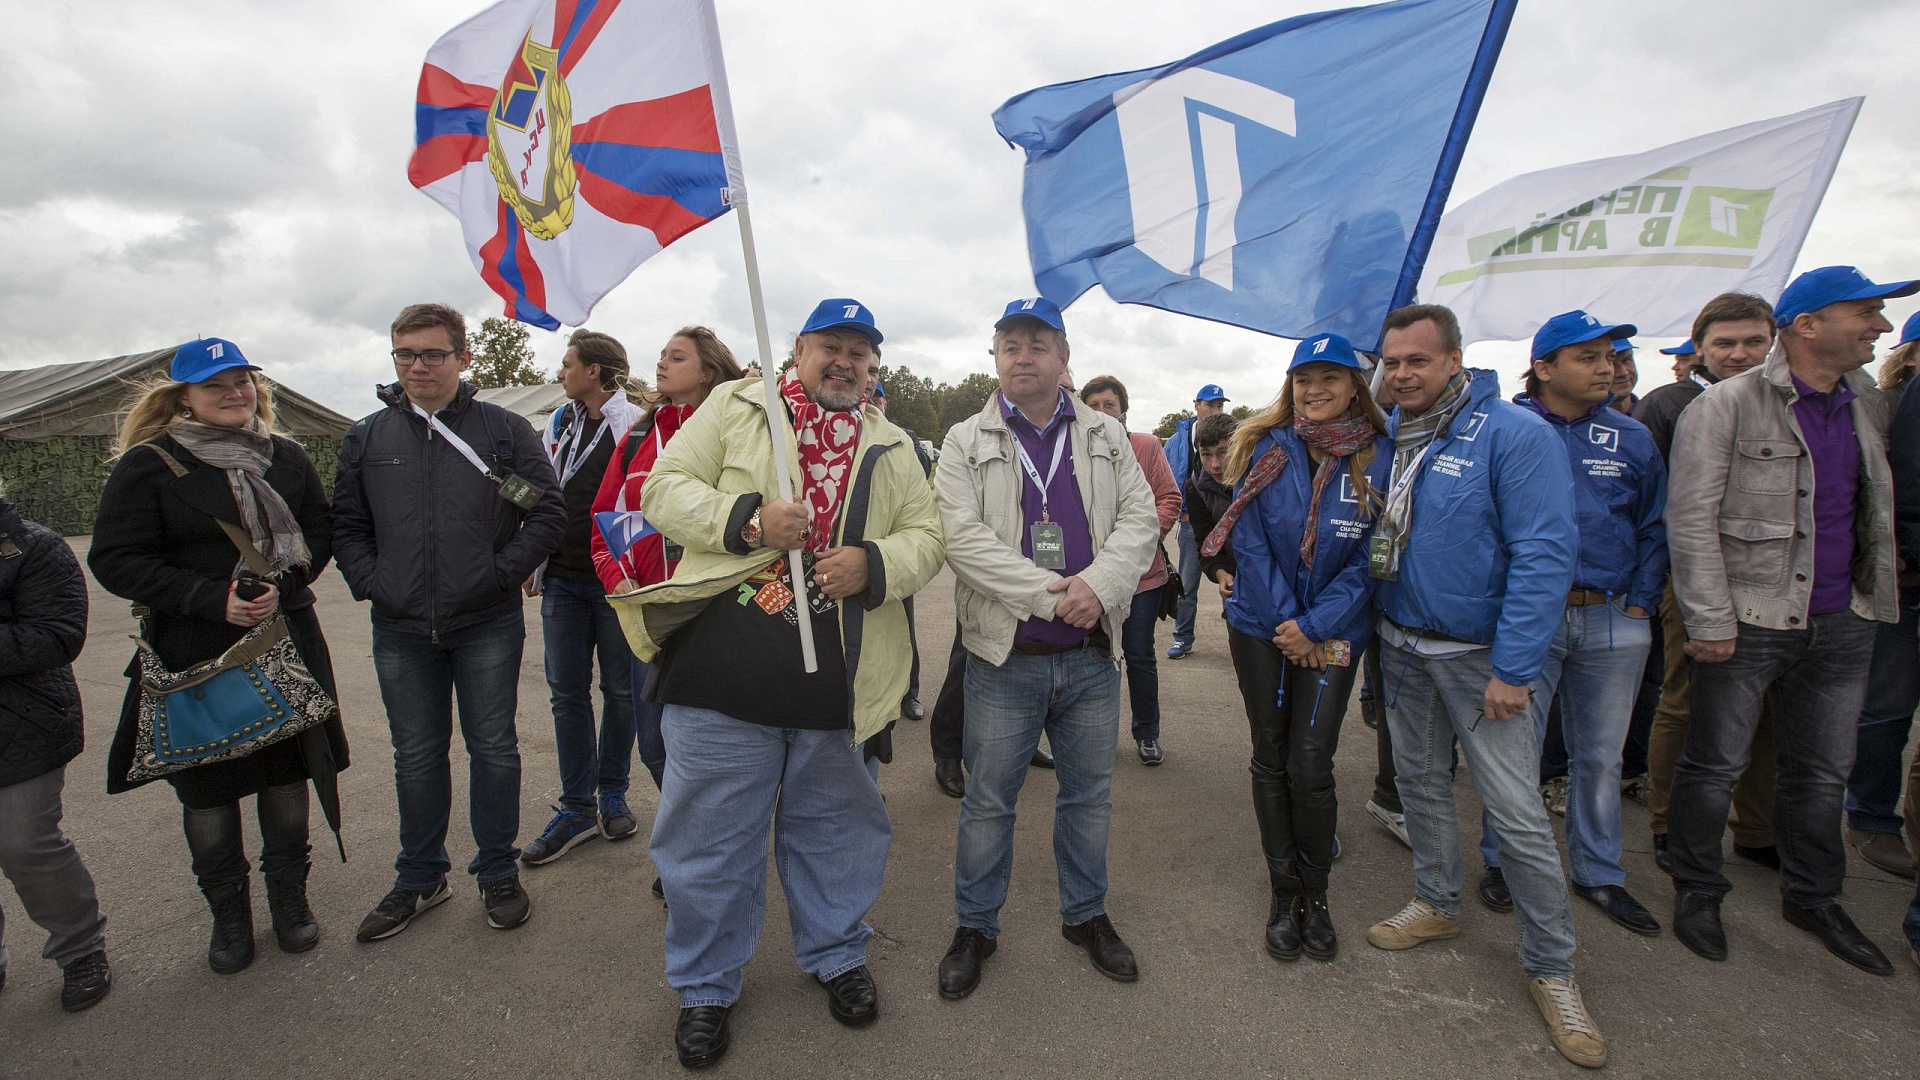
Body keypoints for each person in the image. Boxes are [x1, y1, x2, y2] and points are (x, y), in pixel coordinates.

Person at [615, 299, 943, 1069]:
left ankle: (835, 952)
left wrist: (876, 563)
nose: (847, 363)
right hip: (724, 668)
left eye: (862, 354)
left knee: (837, 828)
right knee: (708, 839)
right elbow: (662, 490)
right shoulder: (737, 406)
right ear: (797, 349)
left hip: (842, 677)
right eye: (832, 346)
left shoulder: (893, 443)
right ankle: (704, 986)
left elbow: (928, 539)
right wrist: (748, 522)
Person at [1360, 305, 1604, 1069]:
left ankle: (1552, 968)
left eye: (1417, 362)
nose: (1401, 375)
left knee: (1518, 814)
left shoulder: (1513, 433)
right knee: (1423, 787)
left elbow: (1542, 555)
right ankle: (1437, 901)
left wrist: (1515, 668)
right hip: (1402, 645)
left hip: (1479, 660)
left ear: (1455, 361)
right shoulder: (1394, 438)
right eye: (1392, 363)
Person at [1665, 266, 1910, 976]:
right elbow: (1691, 518)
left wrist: (1872, 598)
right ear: (1808, 324)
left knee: (1823, 771)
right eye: (1864, 313)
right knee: (1715, 764)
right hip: (1749, 618)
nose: (1880, 327)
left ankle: (1813, 895)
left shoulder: (1866, 403)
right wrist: (1710, 619)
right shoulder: (1729, 407)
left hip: (1843, 618)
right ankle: (1697, 888)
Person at [90, 338, 349, 974]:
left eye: (242, 381)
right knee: (208, 790)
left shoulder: (284, 456)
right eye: (215, 385)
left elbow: (318, 533)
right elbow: (115, 559)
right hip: (194, 652)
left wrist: (280, 589)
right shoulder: (148, 465)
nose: (234, 394)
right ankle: (229, 917)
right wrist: (213, 599)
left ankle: (290, 901)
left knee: (287, 774)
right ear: (183, 397)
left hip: (283, 639)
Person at [934, 296, 1158, 1001]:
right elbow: (962, 542)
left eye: (1037, 344)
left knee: (1088, 796)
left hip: (1093, 655)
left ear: (1064, 357)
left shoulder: (1106, 435)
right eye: (1009, 345)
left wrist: (1098, 586)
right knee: (990, 801)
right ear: (995, 358)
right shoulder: (963, 440)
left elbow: (1141, 518)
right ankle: (976, 926)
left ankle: (1085, 915)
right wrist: (1049, 593)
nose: (1022, 356)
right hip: (1006, 659)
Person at [332, 304, 564, 942]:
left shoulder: (504, 430)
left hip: (485, 620)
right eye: (404, 354)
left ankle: (497, 870)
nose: (417, 366)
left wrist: (499, 573)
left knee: (493, 749)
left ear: (464, 359)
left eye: (432, 354)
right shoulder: (368, 437)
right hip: (401, 626)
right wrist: (372, 583)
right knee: (416, 755)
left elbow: (547, 511)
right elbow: (347, 525)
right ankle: (420, 877)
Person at [1473, 312, 1667, 939]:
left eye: (1609, 356)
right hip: (1530, 617)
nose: (1607, 367)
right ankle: (1505, 862)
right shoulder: (1504, 428)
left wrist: (1640, 601)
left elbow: (1654, 524)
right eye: (1587, 357)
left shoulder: (1631, 437)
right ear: (1545, 368)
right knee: (1513, 752)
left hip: (1613, 616)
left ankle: (1598, 870)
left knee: (1601, 758)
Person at [1208, 333, 1390, 963]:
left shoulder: (1379, 455)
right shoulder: (1264, 447)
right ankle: (1283, 893)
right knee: (1271, 754)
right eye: (1304, 379)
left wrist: (1317, 626)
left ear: (1354, 386)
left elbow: (1376, 557)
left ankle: (1317, 894)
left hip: (1334, 635)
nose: (1315, 391)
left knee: (1311, 765)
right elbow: (1250, 544)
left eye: (1330, 379)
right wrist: (1291, 624)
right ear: (1289, 386)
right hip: (1262, 628)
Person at [589, 327, 745, 895]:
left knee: (722, 746)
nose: (660, 364)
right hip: (654, 614)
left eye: (676, 357)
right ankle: (692, 841)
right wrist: (620, 581)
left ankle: (699, 855)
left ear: (708, 371)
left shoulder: (739, 429)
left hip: (723, 611)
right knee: (654, 743)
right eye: (660, 355)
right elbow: (603, 520)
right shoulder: (635, 438)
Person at [1633, 292, 1781, 873]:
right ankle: (1669, 822)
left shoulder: (1790, 403)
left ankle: (1757, 827)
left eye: (1754, 342)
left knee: (1768, 712)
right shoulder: (1669, 404)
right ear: (1700, 348)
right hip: (1690, 579)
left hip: (1777, 586)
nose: (1740, 354)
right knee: (1685, 703)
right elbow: (1649, 502)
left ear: (1775, 341)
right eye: (1725, 344)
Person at [519, 330, 646, 865]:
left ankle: (611, 793)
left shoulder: (634, 423)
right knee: (566, 692)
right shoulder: (560, 421)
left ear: (594, 371)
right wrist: (532, 556)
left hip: (613, 581)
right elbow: (549, 489)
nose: (561, 371)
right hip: (563, 579)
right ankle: (575, 806)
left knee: (620, 691)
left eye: (568, 363)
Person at [0, 487, 111, 1010]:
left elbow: (57, 636)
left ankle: (79, 948)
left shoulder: (33, 548)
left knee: (25, 844)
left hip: (21, 722)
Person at [1846, 311, 1920, 879]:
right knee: (1888, 706)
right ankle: (1870, 815)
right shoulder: (1899, 401)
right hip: (1909, 581)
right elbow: (1905, 490)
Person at [1080, 375, 1182, 766]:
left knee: (1138, 654)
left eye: (1110, 404)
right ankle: (1092, 736)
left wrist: (1139, 539)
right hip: (1091, 576)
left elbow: (1169, 497)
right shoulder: (1074, 447)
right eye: (1095, 404)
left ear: (1123, 410)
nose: (1102, 411)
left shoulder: (1145, 445)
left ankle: (1147, 732)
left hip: (1142, 576)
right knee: (1094, 657)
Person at [871, 376, 937, 725]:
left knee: (903, 626)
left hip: (893, 551)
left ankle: (909, 693)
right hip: (854, 552)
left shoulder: (903, 437)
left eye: (879, 398)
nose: (874, 402)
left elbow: (922, 469)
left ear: (885, 404)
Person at [1163, 383, 1229, 659]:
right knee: (1188, 585)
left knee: (1237, 582)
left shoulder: (1230, 434)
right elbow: (1165, 479)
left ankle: (1245, 639)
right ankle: (1182, 637)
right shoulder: (1176, 441)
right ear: (1196, 405)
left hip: (1229, 520)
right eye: (1209, 404)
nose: (1214, 409)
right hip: (1192, 522)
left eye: (1219, 405)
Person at [1609, 335, 1642, 414]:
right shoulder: (1577, 422)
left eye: (1626, 360)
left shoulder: (1659, 416)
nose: (1623, 372)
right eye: (1611, 363)